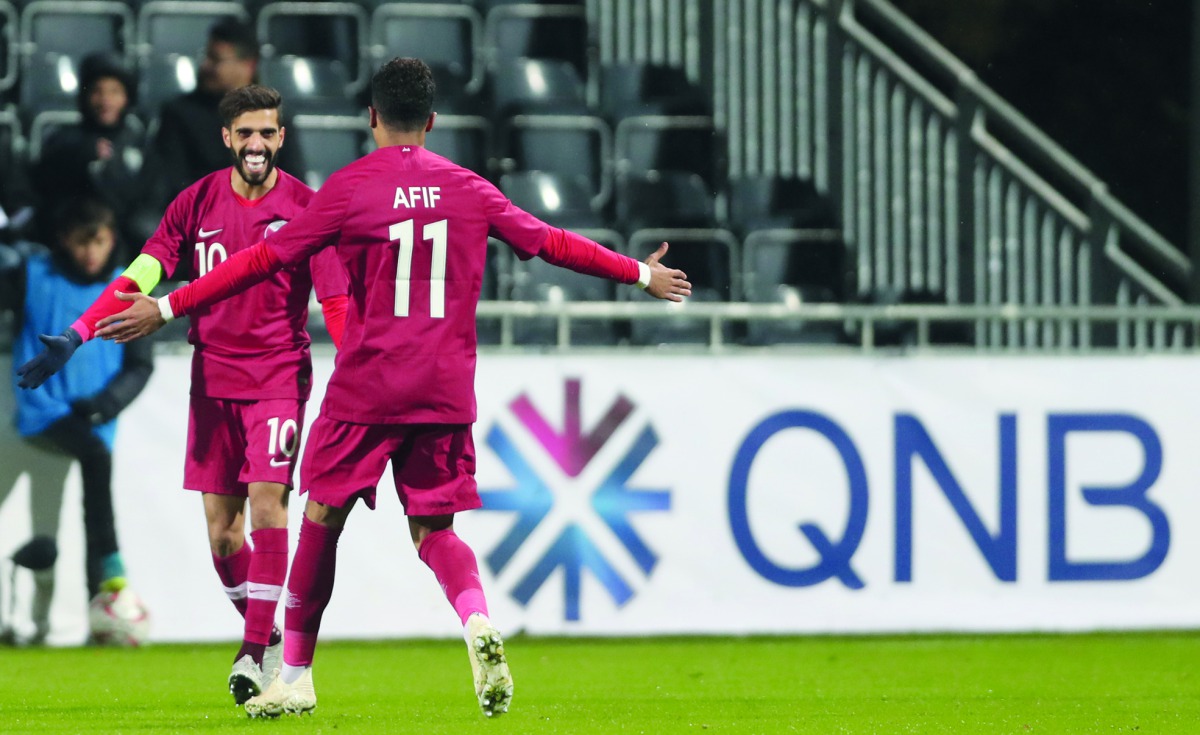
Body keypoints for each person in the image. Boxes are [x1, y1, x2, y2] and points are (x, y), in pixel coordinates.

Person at [62, 57, 691, 719]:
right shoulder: (469, 188)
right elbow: (549, 241)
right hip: (445, 388)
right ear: (432, 121)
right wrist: (637, 274)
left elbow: (261, 259)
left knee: (318, 522)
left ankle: (297, 676)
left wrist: (168, 306)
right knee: (434, 529)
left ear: (370, 118)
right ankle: (476, 619)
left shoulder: (347, 189)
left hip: (368, 383)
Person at [18, 85, 347, 702]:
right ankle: (271, 640)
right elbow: (145, 271)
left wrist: (356, 360)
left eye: (267, 132)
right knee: (224, 537)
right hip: (212, 379)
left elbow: (333, 297)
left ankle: (251, 654)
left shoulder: (307, 208)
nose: (256, 143)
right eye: (244, 133)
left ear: (280, 138)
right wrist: (80, 331)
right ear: (227, 138)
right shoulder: (195, 202)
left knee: (269, 502)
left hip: (278, 375)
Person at [0, 198, 153, 643]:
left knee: (92, 481)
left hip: (95, 419)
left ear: (111, 240)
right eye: (83, 241)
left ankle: (97, 616)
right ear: (65, 240)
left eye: (99, 241)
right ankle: (110, 570)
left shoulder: (127, 289)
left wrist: (106, 402)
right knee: (95, 459)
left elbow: (140, 365)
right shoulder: (32, 275)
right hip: (42, 413)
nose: (91, 251)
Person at [154, 18, 306, 204]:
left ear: (248, 65)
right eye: (206, 56)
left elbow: (293, 183)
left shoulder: (275, 114)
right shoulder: (179, 113)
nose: (205, 66)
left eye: (216, 59)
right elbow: (176, 184)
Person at [31, 53, 157, 258]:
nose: (105, 100)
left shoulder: (140, 141)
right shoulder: (65, 139)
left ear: (127, 97)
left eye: (115, 92)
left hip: (126, 230)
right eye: (97, 91)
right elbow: (45, 185)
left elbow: (153, 190)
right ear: (85, 96)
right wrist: (82, 155)